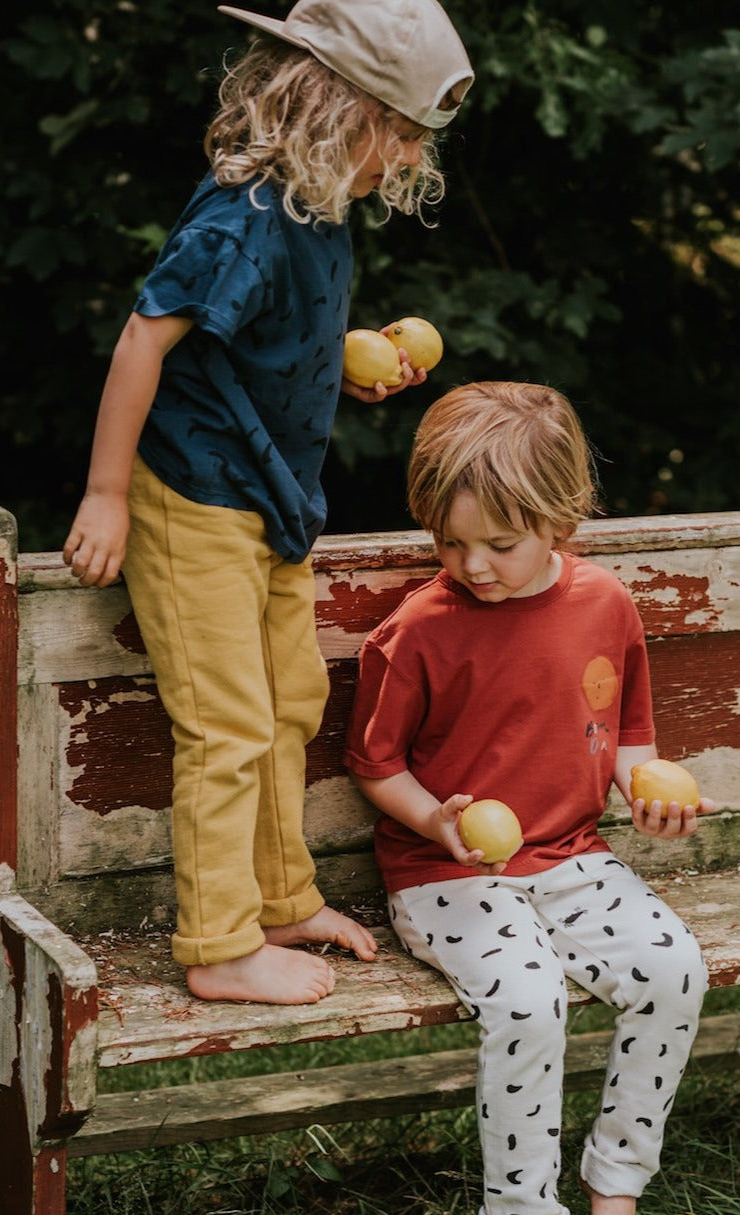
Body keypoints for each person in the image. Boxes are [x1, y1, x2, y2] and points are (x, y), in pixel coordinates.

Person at [61, 0, 474, 1006]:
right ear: (345, 109)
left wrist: (340, 364)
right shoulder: (245, 214)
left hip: (273, 502)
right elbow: (143, 339)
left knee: (288, 702)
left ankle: (282, 899)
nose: (411, 157)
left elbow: (249, 335)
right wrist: (107, 495)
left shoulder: (313, 208)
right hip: (196, 496)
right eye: (405, 134)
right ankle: (217, 942)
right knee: (230, 726)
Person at [344, 382, 714, 1215]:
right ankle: (519, 1204)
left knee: (672, 969)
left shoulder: (604, 605)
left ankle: (615, 1178)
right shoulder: (415, 632)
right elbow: (374, 763)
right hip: (446, 873)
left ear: (560, 522)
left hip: (574, 856)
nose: (472, 565)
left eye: (499, 544)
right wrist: (434, 817)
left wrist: (643, 793)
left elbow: (625, 736)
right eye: (450, 542)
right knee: (528, 1001)